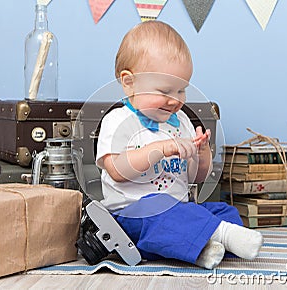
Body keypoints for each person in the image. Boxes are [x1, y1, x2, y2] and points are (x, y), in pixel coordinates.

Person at [96, 20, 263, 269]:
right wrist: (161, 148)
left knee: (222, 212)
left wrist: (202, 154)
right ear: (129, 83)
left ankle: (204, 249)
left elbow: (196, 176)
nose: (175, 101)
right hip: (132, 215)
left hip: (180, 211)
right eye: (165, 91)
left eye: (182, 90)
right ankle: (220, 237)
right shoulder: (119, 120)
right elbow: (117, 171)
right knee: (163, 209)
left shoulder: (181, 121)